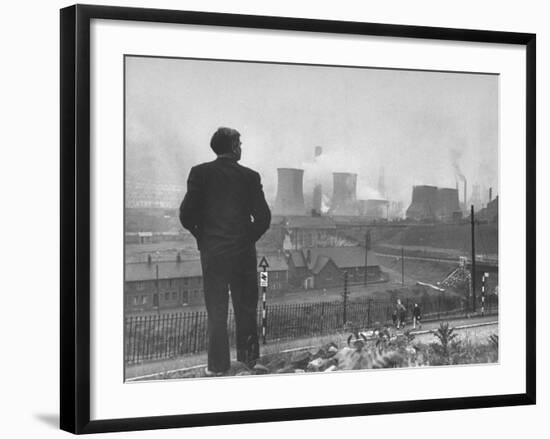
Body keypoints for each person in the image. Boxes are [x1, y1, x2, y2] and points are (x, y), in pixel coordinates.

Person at [179, 127, 271, 376]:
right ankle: (249, 363)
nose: (241, 148)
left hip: (214, 255)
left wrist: (205, 236)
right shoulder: (250, 177)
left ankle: (217, 368)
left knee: (217, 312)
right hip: (242, 256)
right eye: (239, 144)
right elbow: (263, 218)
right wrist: (245, 239)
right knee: (247, 309)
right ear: (232, 147)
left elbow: (186, 216)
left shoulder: (200, 174)